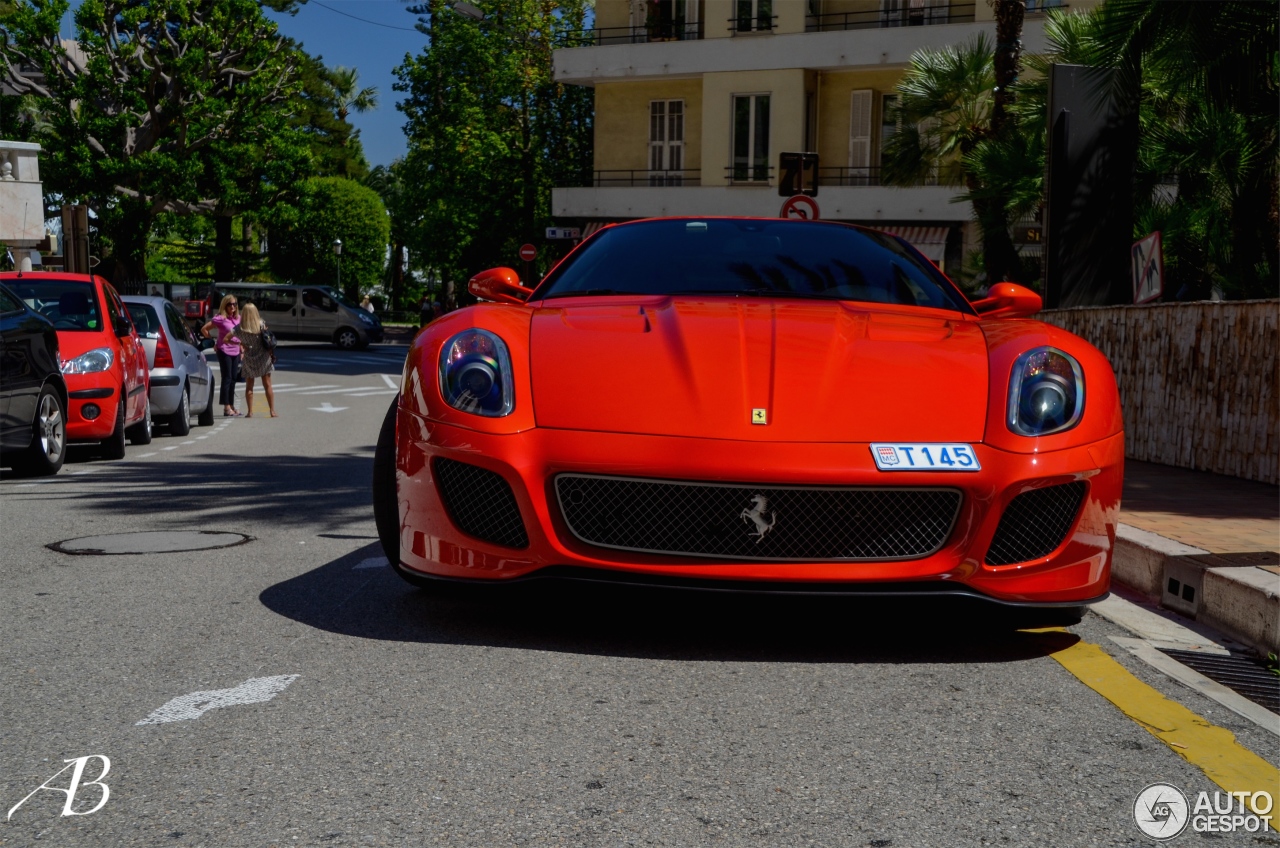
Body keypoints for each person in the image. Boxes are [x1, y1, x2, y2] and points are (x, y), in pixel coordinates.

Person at [228, 303, 277, 418]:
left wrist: (240, 343)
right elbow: (267, 341)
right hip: (263, 358)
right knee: (267, 385)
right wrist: (271, 354)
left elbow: (226, 339)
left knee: (249, 386)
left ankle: (250, 412)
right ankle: (272, 411)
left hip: (249, 357)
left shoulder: (238, 328)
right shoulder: (261, 325)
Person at [201, 295, 241, 417]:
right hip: (224, 350)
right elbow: (204, 329)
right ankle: (226, 407)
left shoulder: (238, 318)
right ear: (225, 305)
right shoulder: (220, 318)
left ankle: (231, 405)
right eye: (230, 304)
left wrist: (242, 349)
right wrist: (213, 342)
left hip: (236, 350)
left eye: (234, 304)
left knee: (234, 378)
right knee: (227, 378)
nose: (233, 306)